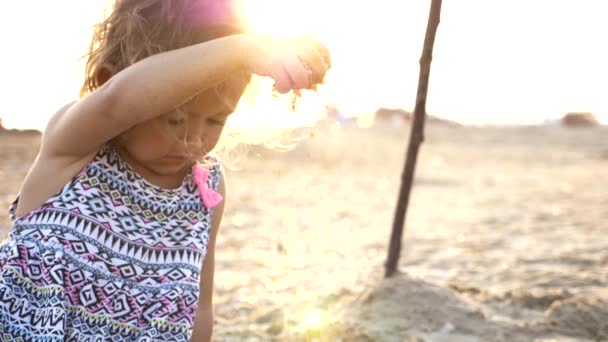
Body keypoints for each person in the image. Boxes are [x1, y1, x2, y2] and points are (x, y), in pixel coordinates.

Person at [0, 0, 330, 341]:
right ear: (106, 80)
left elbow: (199, 310)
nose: (193, 139)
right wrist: (245, 49)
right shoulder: (74, 147)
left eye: (216, 119)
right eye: (175, 118)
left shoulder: (206, 189)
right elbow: (120, 99)